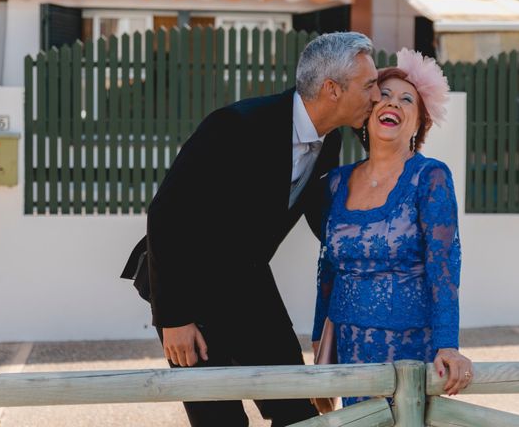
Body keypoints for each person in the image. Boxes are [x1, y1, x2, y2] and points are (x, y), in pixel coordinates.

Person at [140, 32, 381, 426]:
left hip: (249, 284)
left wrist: (369, 253)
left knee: (296, 410)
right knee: (219, 420)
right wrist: (174, 318)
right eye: (369, 85)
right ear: (332, 89)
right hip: (188, 288)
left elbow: (322, 217)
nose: (376, 95)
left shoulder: (331, 141)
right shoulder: (237, 125)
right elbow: (166, 214)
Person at [312, 48, 473, 409]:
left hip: (410, 352)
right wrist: (319, 342)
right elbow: (327, 269)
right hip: (351, 348)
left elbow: (444, 266)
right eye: (383, 96)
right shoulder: (336, 182)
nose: (393, 104)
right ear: (368, 114)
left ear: (418, 123)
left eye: (406, 100)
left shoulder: (429, 177)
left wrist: (448, 345)